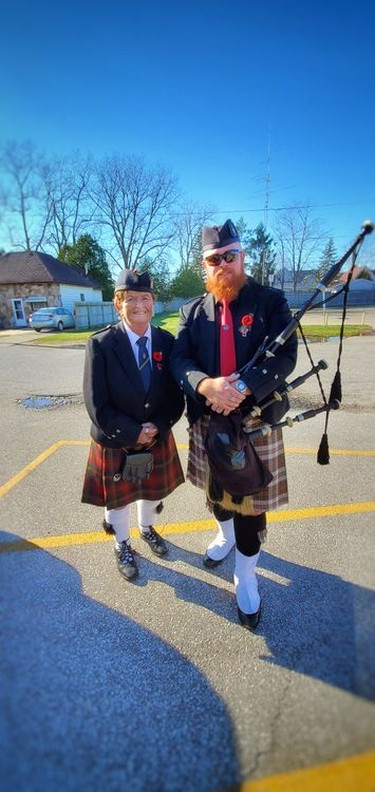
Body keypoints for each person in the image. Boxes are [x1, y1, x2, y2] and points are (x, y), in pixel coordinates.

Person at [170, 219, 298, 630]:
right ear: (203, 266)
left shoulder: (270, 301)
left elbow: (285, 357)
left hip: (255, 421)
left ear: (242, 257)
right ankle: (223, 536)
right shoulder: (191, 311)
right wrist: (206, 385)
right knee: (215, 494)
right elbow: (178, 360)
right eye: (214, 259)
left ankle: (246, 576)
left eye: (231, 256)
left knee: (248, 504)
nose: (223, 264)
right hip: (207, 420)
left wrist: (242, 386)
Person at [81, 269, 185, 581]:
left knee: (153, 494)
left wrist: (158, 425)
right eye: (130, 299)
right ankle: (122, 544)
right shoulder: (101, 344)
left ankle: (147, 529)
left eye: (145, 298)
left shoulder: (168, 342)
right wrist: (132, 432)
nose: (139, 304)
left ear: (154, 302)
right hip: (115, 439)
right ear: (118, 305)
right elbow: (96, 403)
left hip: (157, 436)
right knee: (118, 501)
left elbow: (174, 396)